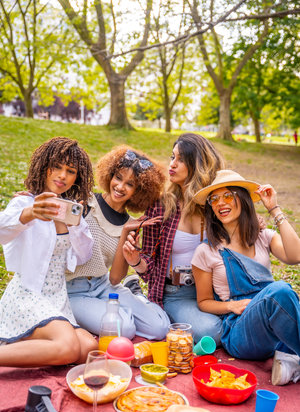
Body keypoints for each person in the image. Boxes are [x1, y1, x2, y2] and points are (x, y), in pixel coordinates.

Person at [191, 169, 300, 385]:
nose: (220, 203)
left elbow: (295, 256)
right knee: (279, 292)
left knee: (279, 295)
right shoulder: (206, 251)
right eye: (214, 199)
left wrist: (274, 209)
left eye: (228, 195)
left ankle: (289, 360)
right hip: (240, 331)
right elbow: (203, 302)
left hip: (272, 326)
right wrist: (231, 306)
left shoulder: (263, 237)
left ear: (242, 198)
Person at [0, 137, 98, 367]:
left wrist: (75, 226)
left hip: (56, 298)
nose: (62, 175)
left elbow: (84, 256)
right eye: (56, 167)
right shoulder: (25, 203)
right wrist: (29, 213)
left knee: (88, 349)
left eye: (70, 171)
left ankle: (25, 341)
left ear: (77, 178)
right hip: (27, 295)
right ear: (44, 167)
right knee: (69, 348)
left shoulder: (71, 212)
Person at [122, 133, 225, 345]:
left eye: (180, 160)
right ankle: (146, 302)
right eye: (172, 157)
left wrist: (256, 223)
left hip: (215, 291)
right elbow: (150, 267)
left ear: (197, 165)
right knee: (212, 331)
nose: (172, 164)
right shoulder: (161, 206)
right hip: (176, 293)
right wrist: (135, 261)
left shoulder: (216, 205)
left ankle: (149, 308)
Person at [66, 145, 171, 340]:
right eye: (118, 177)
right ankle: (124, 309)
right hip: (73, 290)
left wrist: (125, 232)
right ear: (110, 176)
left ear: (138, 191)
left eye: (130, 184)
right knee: (125, 329)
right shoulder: (85, 203)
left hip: (104, 285)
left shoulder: (130, 224)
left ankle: (135, 296)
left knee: (160, 328)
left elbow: (114, 279)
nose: (120, 187)